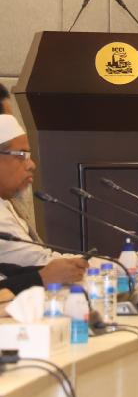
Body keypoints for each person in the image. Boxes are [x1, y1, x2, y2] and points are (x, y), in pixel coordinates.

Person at [0, 113, 87, 292]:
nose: (31, 164)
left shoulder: (5, 203)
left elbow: (12, 272)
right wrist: (41, 278)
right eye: (21, 155)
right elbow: (36, 262)